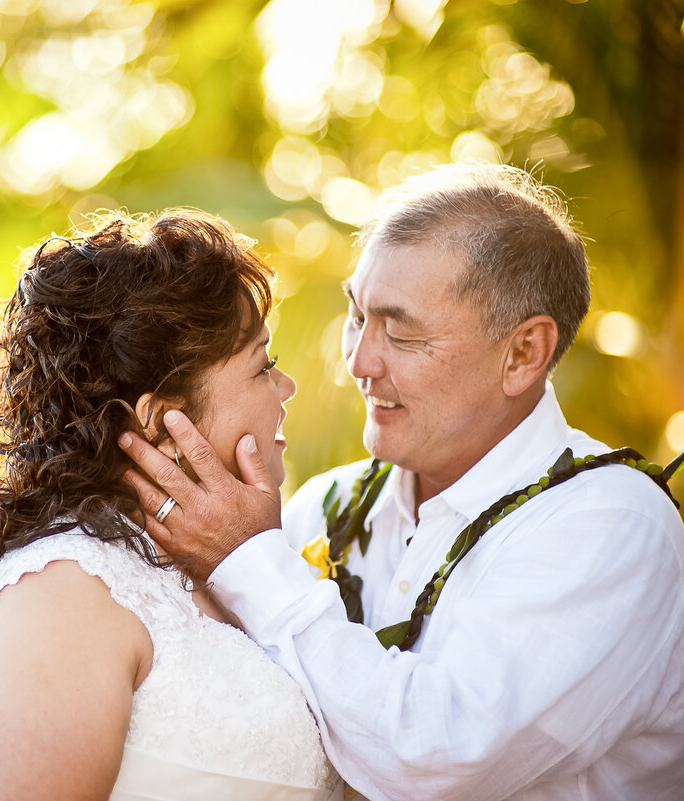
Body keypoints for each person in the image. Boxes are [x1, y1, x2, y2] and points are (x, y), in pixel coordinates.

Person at [119, 163, 684, 800]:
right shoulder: (322, 508)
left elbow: (436, 759)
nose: (359, 362)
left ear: (524, 353)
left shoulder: (613, 526)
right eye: (357, 316)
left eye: (402, 329)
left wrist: (247, 562)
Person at [0, 209, 344, 800]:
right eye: (262, 366)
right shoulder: (59, 597)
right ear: (162, 420)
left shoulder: (208, 562)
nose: (286, 387)